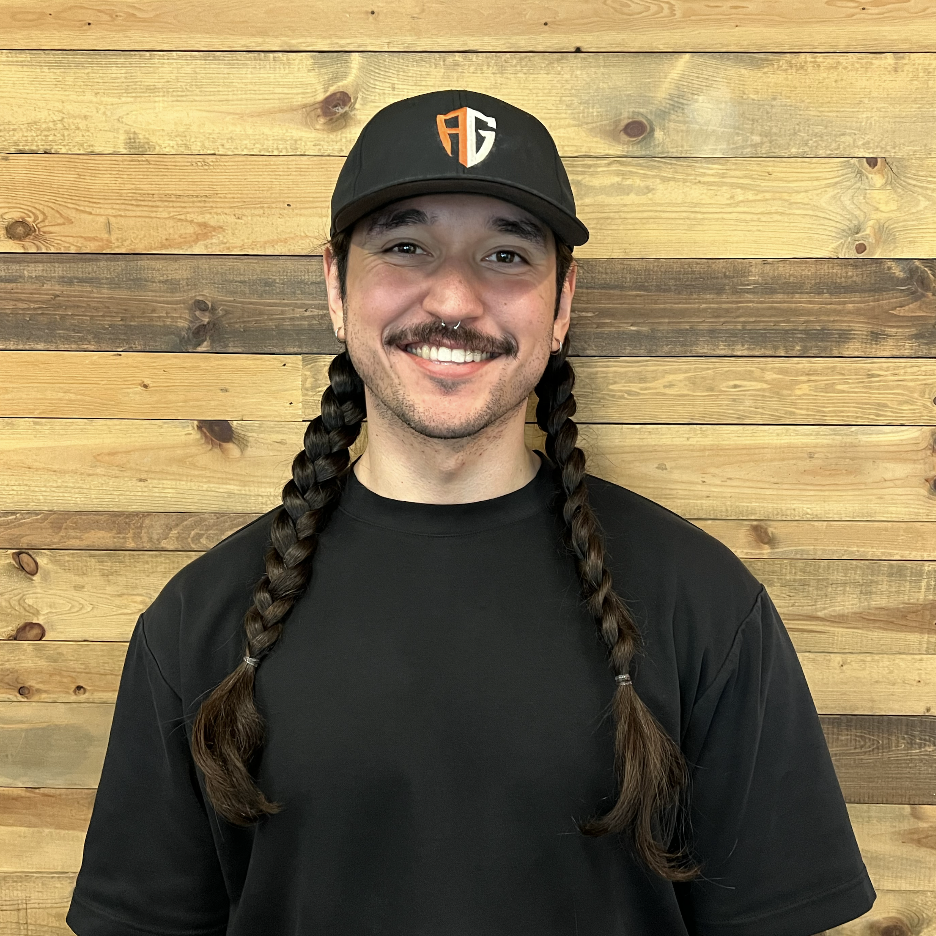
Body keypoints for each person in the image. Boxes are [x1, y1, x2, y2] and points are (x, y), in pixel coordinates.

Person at [67, 90, 875, 936]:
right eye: (407, 247)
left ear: (561, 305)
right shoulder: (200, 620)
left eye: (505, 255)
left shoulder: (702, 603)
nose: (453, 299)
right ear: (336, 287)